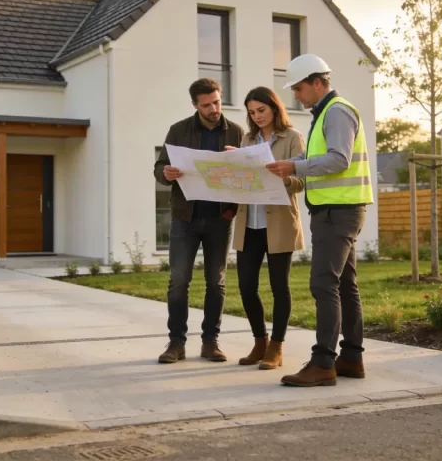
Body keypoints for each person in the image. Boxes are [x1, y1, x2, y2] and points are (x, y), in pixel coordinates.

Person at [265, 54, 374, 387]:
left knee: (323, 284)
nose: (296, 95)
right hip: (336, 209)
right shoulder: (325, 113)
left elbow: (338, 159)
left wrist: (296, 167)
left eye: (298, 88)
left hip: (337, 212)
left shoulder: (336, 111)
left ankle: (323, 363)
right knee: (344, 284)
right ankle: (351, 358)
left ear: (317, 82)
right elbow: (314, 157)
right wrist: (277, 163)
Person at [154, 78, 244, 364]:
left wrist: (240, 162)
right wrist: (165, 173)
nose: (214, 108)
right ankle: (176, 344)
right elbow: (159, 168)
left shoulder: (237, 132)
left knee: (215, 283)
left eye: (217, 102)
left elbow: (250, 173)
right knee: (179, 280)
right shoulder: (178, 131)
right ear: (195, 105)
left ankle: (210, 343)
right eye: (207, 105)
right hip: (185, 218)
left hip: (221, 218)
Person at [226, 87, 305, 370]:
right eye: (251, 112)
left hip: (279, 222)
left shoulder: (293, 138)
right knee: (246, 287)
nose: (257, 116)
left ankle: (277, 347)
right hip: (249, 223)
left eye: (261, 110)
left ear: (274, 108)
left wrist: (280, 174)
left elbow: (302, 181)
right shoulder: (246, 139)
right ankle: (260, 341)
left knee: (279, 287)